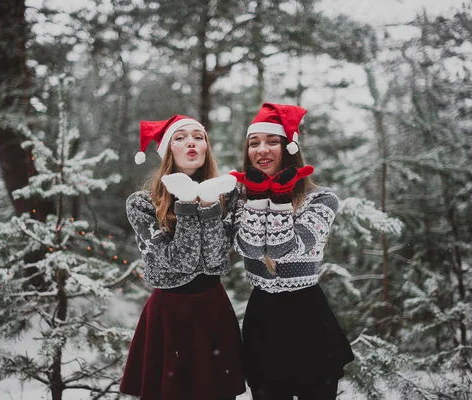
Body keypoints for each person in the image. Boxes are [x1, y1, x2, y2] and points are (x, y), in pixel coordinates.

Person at [230, 103, 355, 400]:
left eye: (272, 141)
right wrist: (257, 198)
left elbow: (286, 250)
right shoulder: (237, 199)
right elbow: (245, 246)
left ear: (289, 148)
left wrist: (280, 198)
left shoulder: (321, 200)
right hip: (263, 318)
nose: (262, 150)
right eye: (254, 143)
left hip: (308, 317)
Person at [120, 115, 246, 400]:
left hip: (212, 310)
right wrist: (188, 203)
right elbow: (181, 263)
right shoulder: (141, 204)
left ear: (206, 148)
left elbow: (216, 260)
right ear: (168, 150)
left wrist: (210, 204)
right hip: (169, 314)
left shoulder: (228, 195)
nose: (191, 142)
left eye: (198, 137)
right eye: (180, 137)